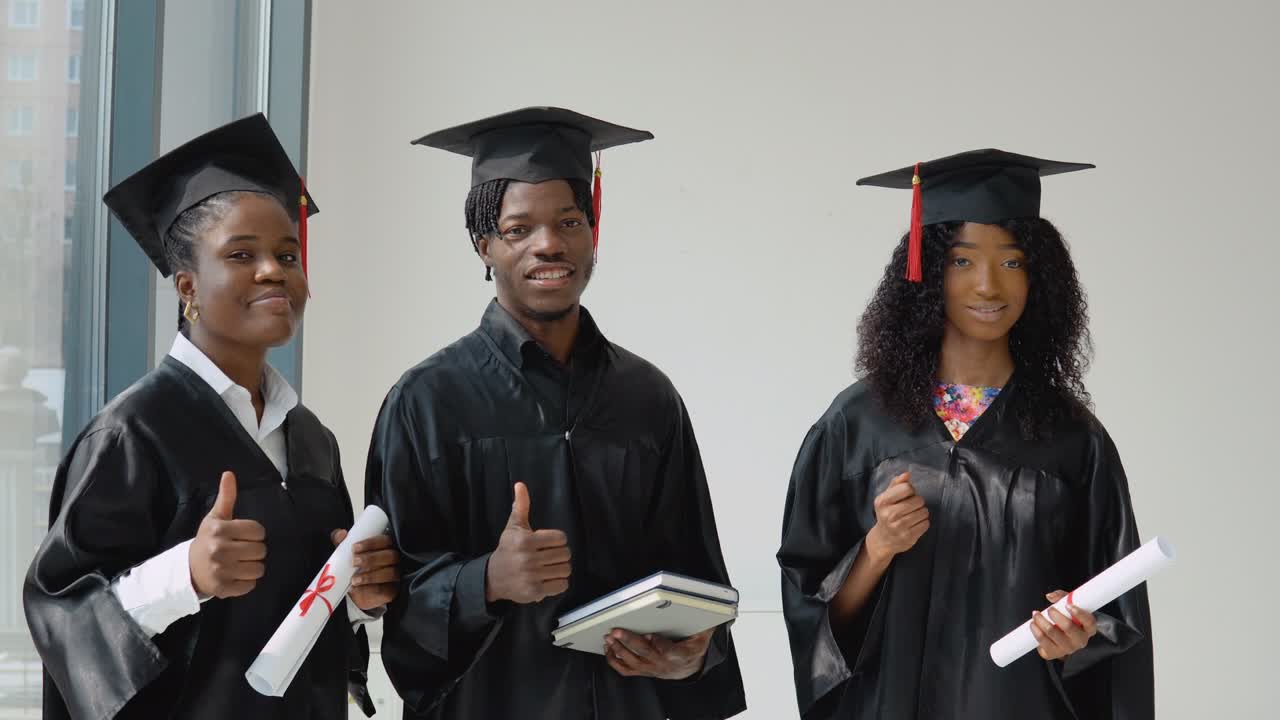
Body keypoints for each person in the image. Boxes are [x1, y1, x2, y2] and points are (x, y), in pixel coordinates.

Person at [365, 106, 746, 719]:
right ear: (482, 244)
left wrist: (692, 658)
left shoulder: (648, 399)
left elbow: (696, 580)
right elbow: (397, 606)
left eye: (569, 220)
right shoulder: (428, 401)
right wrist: (487, 579)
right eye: (518, 229)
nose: (549, 244)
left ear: (593, 232)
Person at [23, 113, 400, 720]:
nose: (275, 270)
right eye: (242, 253)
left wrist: (359, 596)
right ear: (188, 286)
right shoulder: (134, 432)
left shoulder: (310, 439)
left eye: (288, 253)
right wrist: (188, 575)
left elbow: (303, 607)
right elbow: (61, 610)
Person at [777, 149, 1154, 719]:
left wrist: (1081, 633)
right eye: (961, 261)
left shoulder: (1074, 439)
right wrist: (876, 549)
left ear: (1039, 276)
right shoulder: (857, 425)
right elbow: (811, 614)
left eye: (1011, 262)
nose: (987, 285)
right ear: (926, 273)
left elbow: (1118, 621)